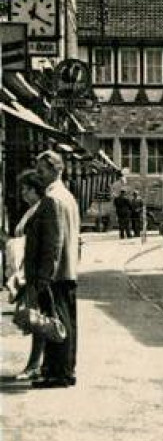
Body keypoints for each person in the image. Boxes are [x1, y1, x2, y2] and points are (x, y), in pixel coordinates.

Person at [27, 150, 80, 388]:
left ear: (55, 170)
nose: (38, 175)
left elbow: (53, 242)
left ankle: (58, 373)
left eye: (41, 171)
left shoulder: (52, 199)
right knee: (65, 321)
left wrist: (44, 277)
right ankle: (63, 370)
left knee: (55, 323)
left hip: (55, 273)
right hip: (67, 270)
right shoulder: (67, 196)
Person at [4, 171, 47, 381]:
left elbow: (29, 242)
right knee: (34, 318)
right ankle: (35, 363)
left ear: (35, 190)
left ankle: (34, 365)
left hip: (32, 271)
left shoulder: (39, 210)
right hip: (26, 270)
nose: (22, 193)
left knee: (37, 318)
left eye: (25, 189)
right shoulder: (31, 210)